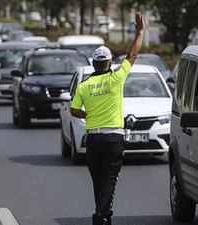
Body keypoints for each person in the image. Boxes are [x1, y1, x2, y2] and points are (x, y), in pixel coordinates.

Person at [70, 12, 145, 225]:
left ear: (93, 64)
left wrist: (88, 114)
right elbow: (132, 55)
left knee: (99, 181)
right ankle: (99, 216)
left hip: (93, 140)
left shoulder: (84, 86)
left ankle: (104, 216)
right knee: (109, 181)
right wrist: (140, 32)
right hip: (113, 139)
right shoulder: (116, 78)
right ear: (110, 63)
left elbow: (74, 111)